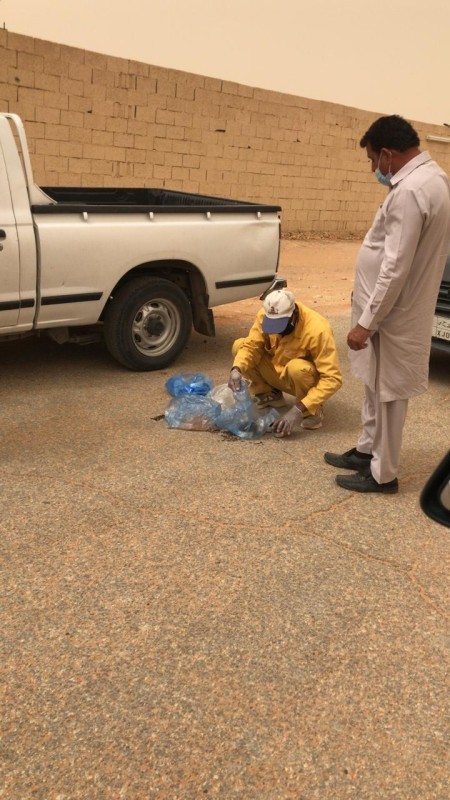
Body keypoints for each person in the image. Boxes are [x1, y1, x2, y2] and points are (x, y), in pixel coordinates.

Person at [325, 115, 450, 494]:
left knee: (389, 392)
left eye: (372, 161)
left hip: (394, 313)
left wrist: (367, 322)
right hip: (393, 309)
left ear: (387, 154)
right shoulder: (433, 179)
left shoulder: (411, 191)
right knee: (375, 384)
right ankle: (367, 452)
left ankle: (383, 474)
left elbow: (395, 267)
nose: (373, 169)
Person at [228, 288, 342, 437]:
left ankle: (310, 410)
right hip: (277, 371)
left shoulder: (318, 329)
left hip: (302, 380)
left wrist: (296, 410)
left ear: (293, 315)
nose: (276, 331)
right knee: (240, 346)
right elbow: (252, 346)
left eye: (280, 325)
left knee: (298, 368)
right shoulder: (266, 314)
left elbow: (333, 379)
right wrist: (236, 369)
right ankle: (269, 394)